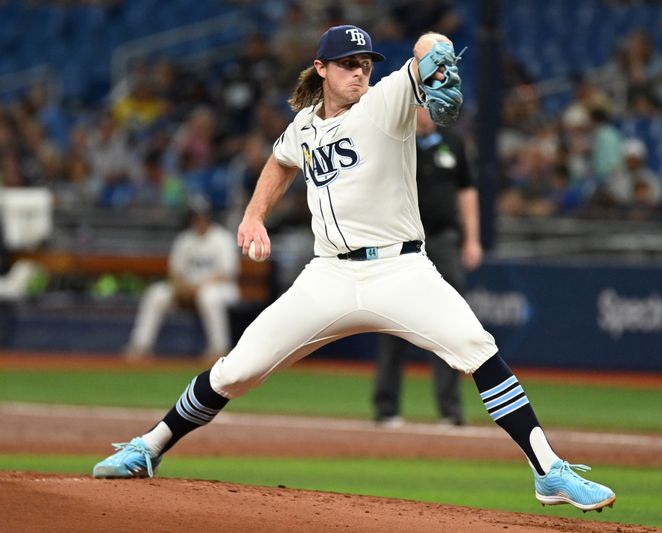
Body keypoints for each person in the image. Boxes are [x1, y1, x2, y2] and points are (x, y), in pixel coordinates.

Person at [93, 25, 616, 513]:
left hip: (401, 270)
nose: (360, 71)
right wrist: (254, 215)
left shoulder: (385, 102)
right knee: (236, 370)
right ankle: (150, 447)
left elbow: (428, 44)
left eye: (365, 62)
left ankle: (548, 470)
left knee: (478, 349)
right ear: (321, 68)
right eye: (348, 63)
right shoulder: (302, 126)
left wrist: (435, 59)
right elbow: (279, 164)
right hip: (328, 278)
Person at [372, 106, 482, 427]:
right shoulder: (397, 142)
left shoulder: (453, 141)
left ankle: (451, 410)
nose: (425, 112)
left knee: (448, 323)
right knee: (391, 321)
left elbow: (467, 191)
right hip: (401, 242)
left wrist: (472, 239)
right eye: (419, 105)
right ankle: (386, 408)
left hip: (443, 240)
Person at [124, 198, 240, 361]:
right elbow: (175, 272)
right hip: (188, 288)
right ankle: (141, 345)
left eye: (202, 216)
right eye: (195, 217)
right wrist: (183, 287)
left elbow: (227, 273)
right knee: (156, 293)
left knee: (209, 297)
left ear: (209, 217)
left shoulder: (222, 238)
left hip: (221, 289)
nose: (198, 220)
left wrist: (197, 287)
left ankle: (218, 348)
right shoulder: (185, 239)